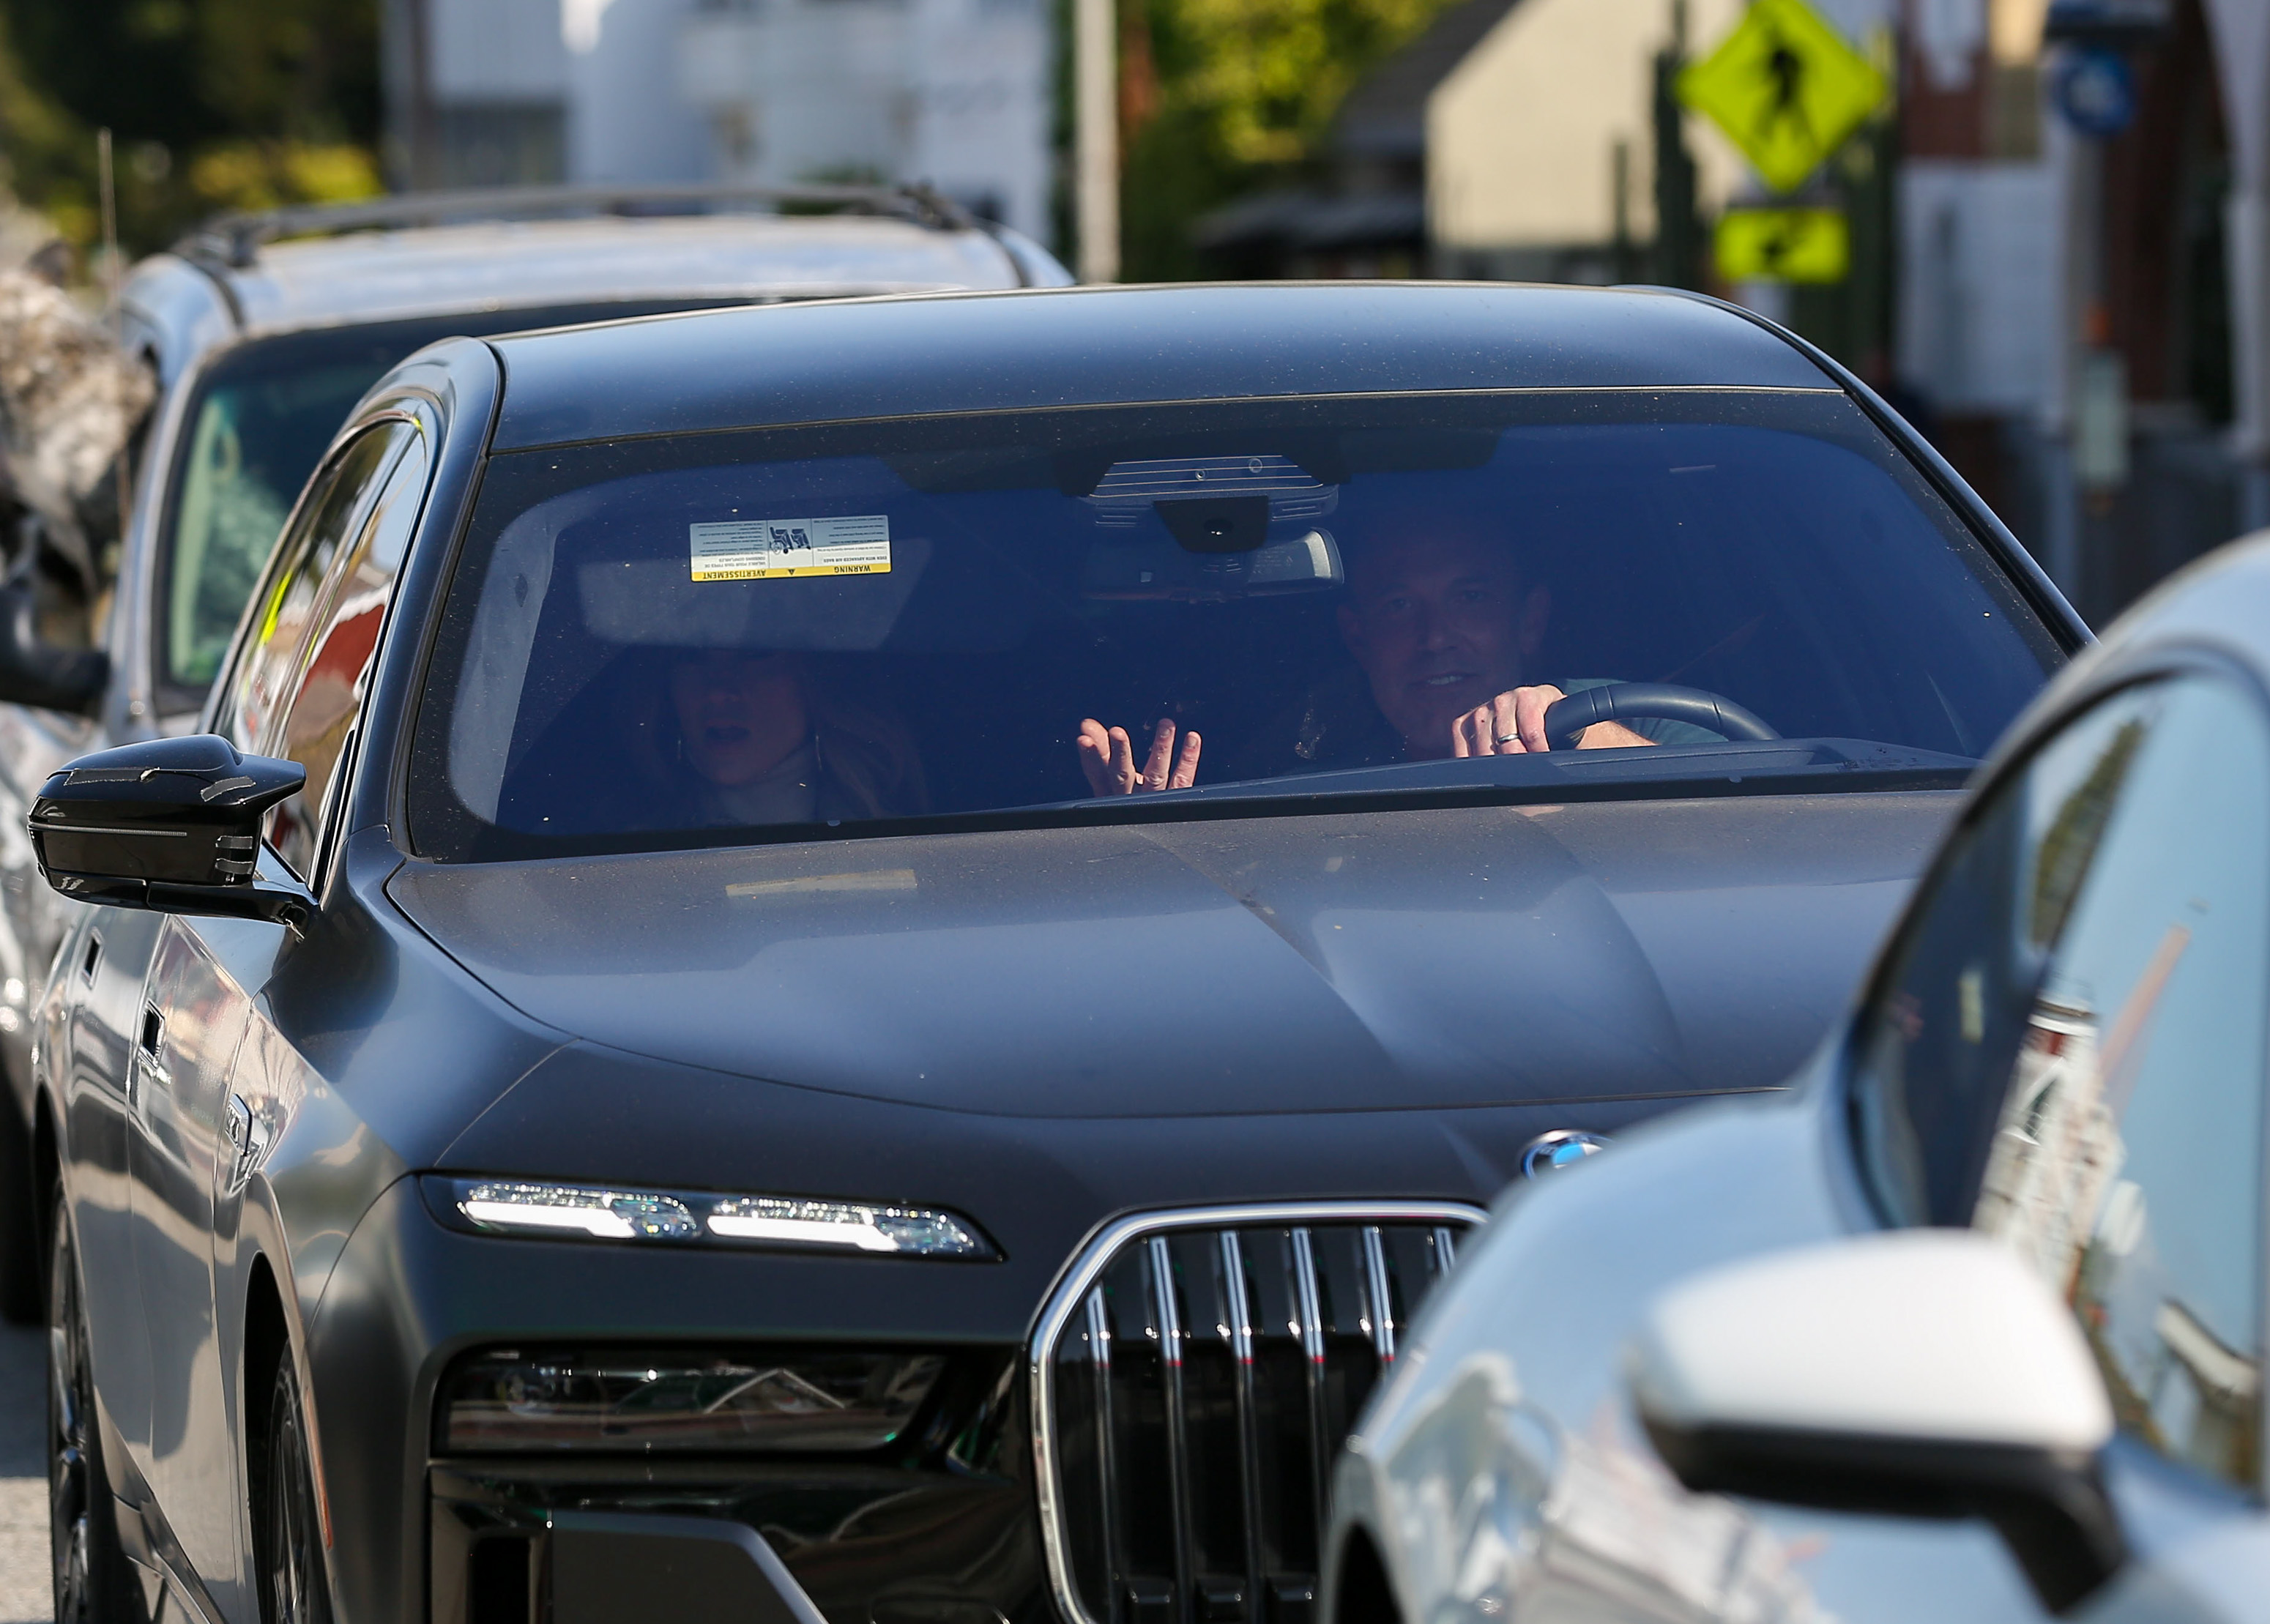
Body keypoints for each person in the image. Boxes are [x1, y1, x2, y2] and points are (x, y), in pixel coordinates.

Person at [1076, 517, 1659, 796]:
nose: (1436, 637)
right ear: (1358, 639)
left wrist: (1580, 737)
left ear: (1529, 621)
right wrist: (1158, 839)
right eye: (1400, 606)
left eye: (1471, 598)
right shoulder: (1311, 792)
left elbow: (1737, 815)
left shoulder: (1638, 714)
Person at [659, 647, 926, 823]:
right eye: (691, 657)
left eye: (755, 653)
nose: (718, 691)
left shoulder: (914, 837)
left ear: (812, 679)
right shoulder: (628, 853)